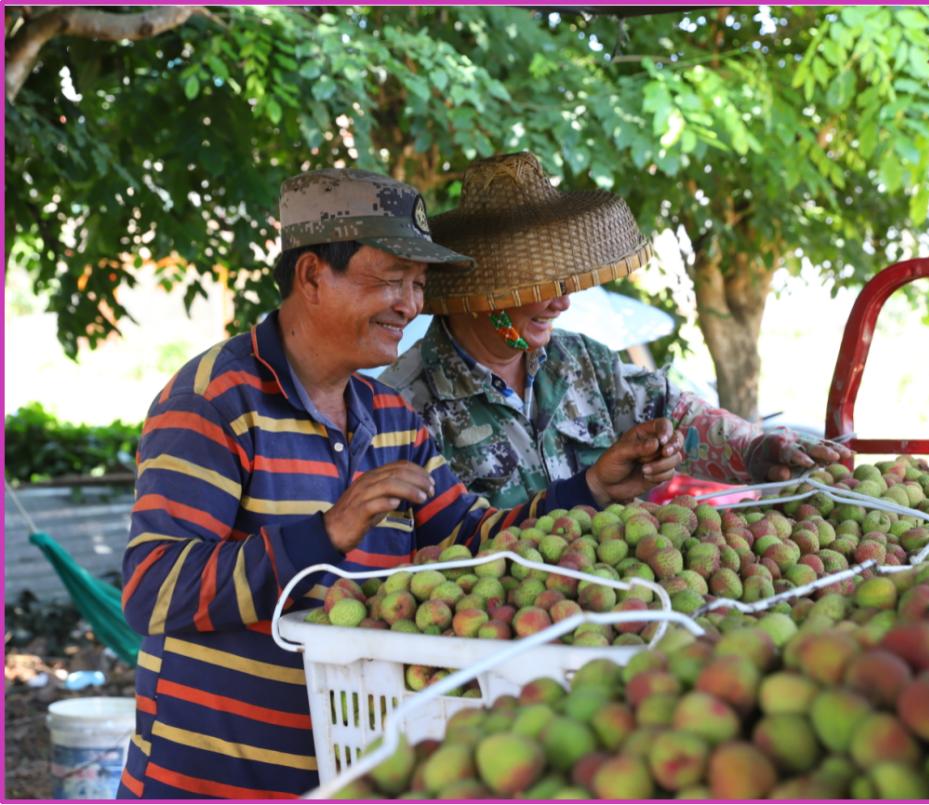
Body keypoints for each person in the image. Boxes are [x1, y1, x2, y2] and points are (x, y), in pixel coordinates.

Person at [117, 168, 683, 799]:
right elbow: (152, 592)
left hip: (353, 770)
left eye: (417, 285)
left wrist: (593, 488)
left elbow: (473, 538)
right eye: (390, 281)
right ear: (310, 277)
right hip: (213, 783)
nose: (411, 306)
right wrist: (328, 533)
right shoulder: (214, 402)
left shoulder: (391, 419)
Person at [382, 152, 852, 510]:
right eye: (540, 287)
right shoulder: (403, 407)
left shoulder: (581, 363)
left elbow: (677, 414)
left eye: (565, 284)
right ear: (481, 293)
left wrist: (754, 449)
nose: (562, 301)